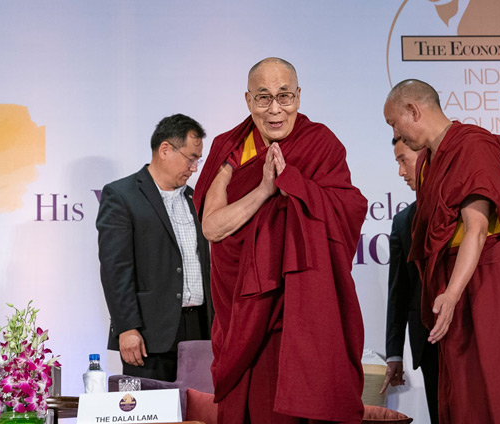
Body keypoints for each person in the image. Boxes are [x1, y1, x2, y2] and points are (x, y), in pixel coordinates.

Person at [193, 57, 367, 423]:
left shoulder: (321, 143)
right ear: (247, 100)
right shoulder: (230, 148)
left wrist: (298, 184)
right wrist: (266, 189)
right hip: (242, 308)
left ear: (299, 97)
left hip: (296, 309)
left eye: (284, 96)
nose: (275, 109)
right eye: (263, 98)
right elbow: (212, 228)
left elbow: (348, 209)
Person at [383, 79, 500, 424]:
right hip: (461, 281)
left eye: (393, 123)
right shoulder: (431, 161)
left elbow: (475, 229)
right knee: (464, 396)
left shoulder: (471, 145)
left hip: (493, 278)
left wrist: (450, 294)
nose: (395, 131)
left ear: (413, 111)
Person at [96, 113, 213, 382]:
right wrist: (127, 328)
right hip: (149, 335)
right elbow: (116, 269)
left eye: (198, 159)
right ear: (165, 150)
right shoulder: (122, 195)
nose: (194, 167)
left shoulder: (197, 198)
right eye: (191, 158)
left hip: (200, 330)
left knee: (198, 415)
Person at [381, 138, 438, 424]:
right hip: (428, 345)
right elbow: (398, 291)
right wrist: (394, 353)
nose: (401, 172)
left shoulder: (466, 207)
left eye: (404, 160)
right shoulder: (403, 221)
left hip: (469, 335)